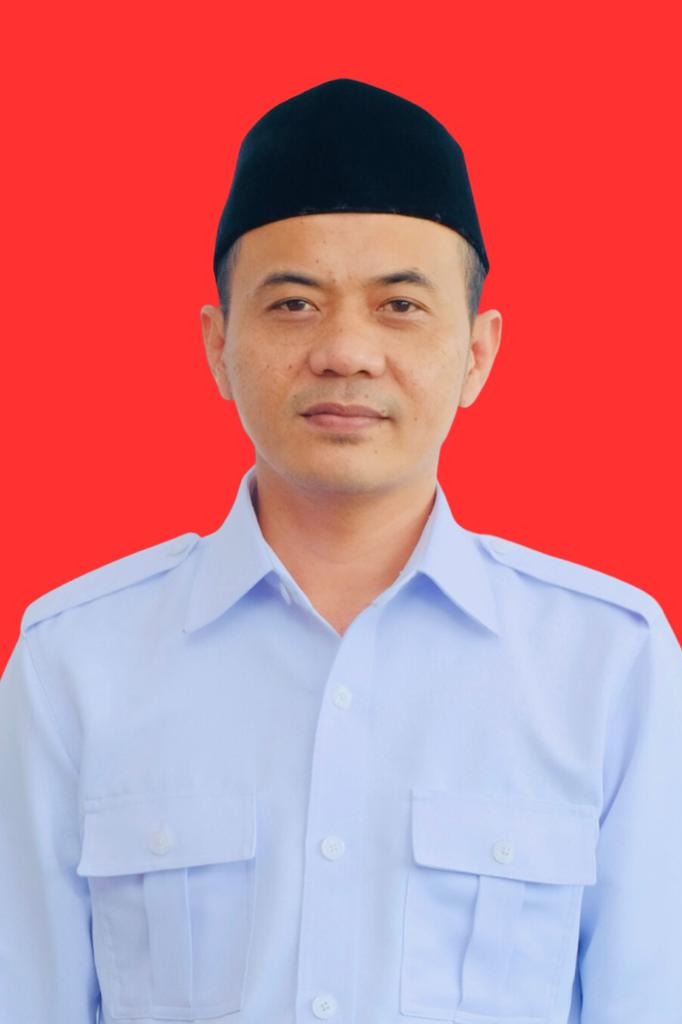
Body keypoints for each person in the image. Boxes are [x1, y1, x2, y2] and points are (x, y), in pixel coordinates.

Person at [0, 77, 680, 1024]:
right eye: (293, 304)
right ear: (218, 346)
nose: (346, 351)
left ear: (477, 353)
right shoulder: (74, 662)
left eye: (399, 305)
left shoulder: (610, 662)